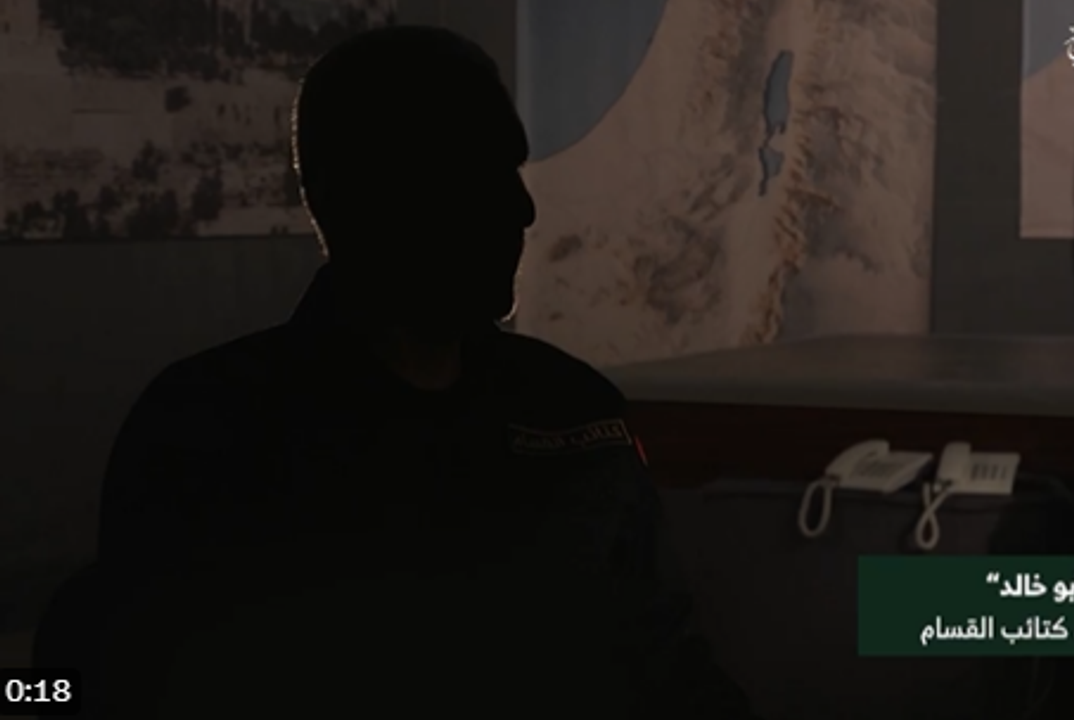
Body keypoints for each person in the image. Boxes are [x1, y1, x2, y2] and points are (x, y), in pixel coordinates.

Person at [34, 25, 757, 720]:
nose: (523, 208)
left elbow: (669, 665)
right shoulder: (209, 435)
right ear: (364, 199)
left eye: (514, 171)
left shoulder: (573, 409)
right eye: (480, 175)